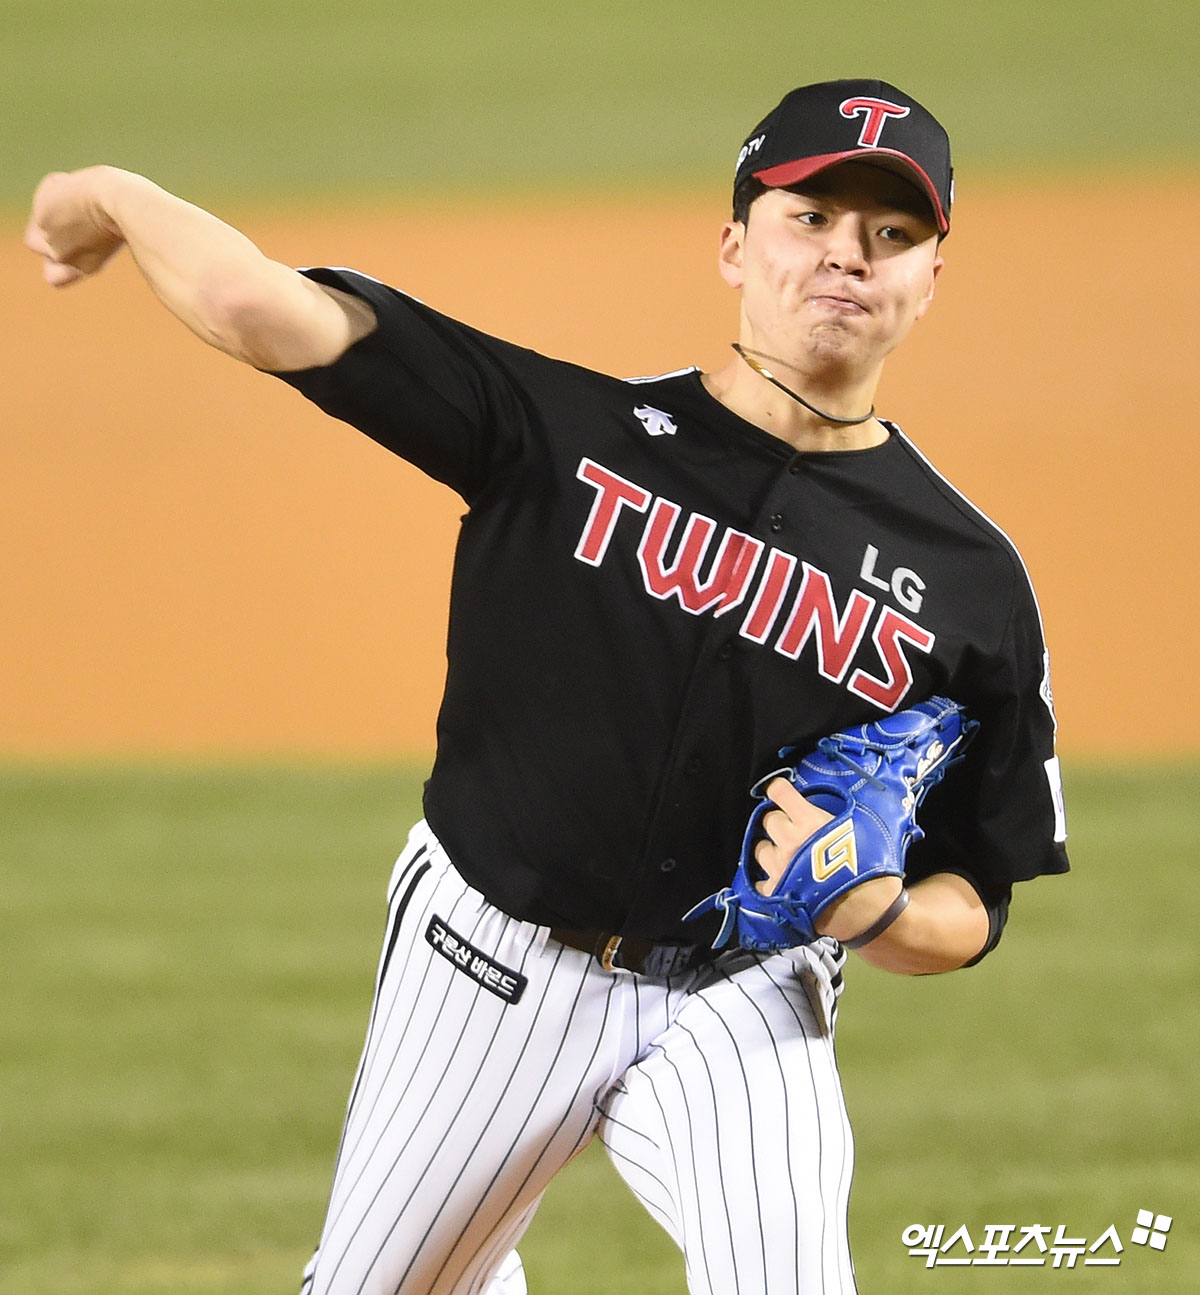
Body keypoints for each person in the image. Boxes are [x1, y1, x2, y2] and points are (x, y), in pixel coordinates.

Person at [26, 78, 1068, 1294]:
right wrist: (107, 192)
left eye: (891, 236)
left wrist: (880, 914)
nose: (849, 257)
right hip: (492, 957)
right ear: (736, 244)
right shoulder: (564, 433)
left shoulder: (970, 580)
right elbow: (256, 305)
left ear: (930, 278)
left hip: (745, 991)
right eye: (812, 218)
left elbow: (976, 892)